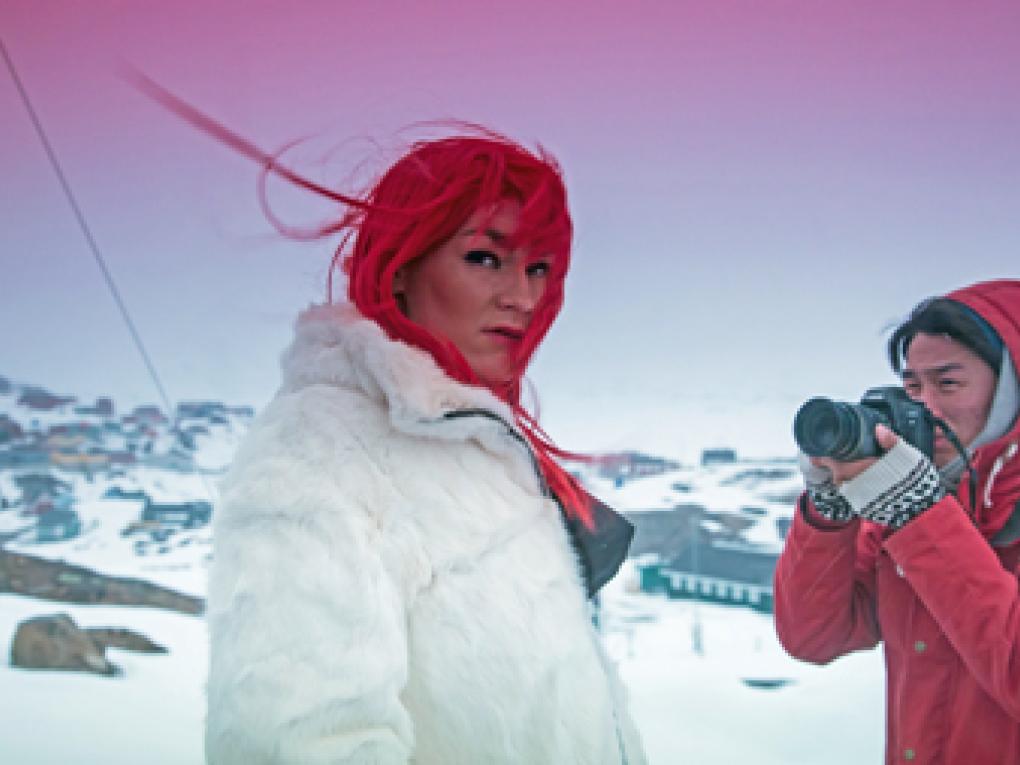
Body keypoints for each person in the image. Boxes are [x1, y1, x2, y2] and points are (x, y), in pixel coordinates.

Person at [202, 127, 646, 763]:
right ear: (401, 267)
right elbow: (299, 740)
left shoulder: (480, 447)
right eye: (485, 259)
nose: (523, 298)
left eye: (538, 269)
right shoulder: (322, 447)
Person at [774, 279, 1020, 764]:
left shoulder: (918, 512)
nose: (924, 408)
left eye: (947, 384)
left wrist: (921, 516)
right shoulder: (915, 508)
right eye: (912, 387)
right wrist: (830, 511)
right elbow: (814, 637)